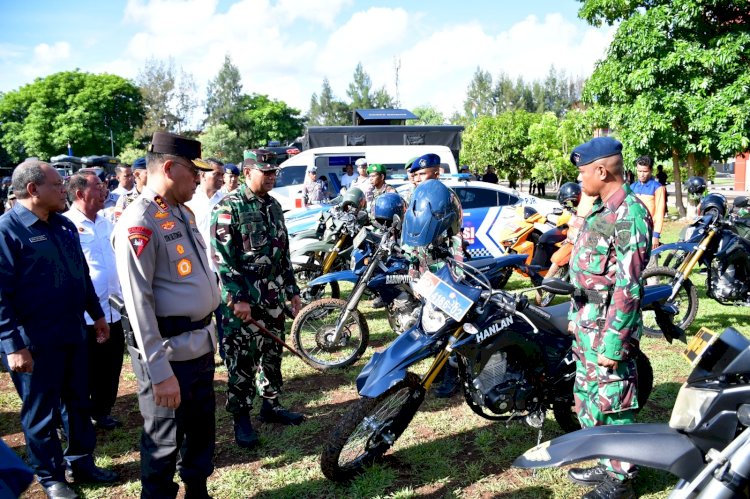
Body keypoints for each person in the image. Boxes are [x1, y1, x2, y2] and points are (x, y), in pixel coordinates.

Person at [0, 160, 118, 499]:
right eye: (56, 184)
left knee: (78, 402)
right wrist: (13, 345)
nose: (63, 189)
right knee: (41, 413)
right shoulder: (8, 231)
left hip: (72, 333)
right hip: (34, 342)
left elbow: (78, 273)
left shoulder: (63, 225)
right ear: (34, 190)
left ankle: (81, 461)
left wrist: (96, 314)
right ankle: (51, 476)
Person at [113, 132, 220, 498]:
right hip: (168, 356)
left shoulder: (179, 211)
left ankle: (197, 490)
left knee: (201, 431)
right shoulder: (139, 221)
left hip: (199, 347)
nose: (199, 179)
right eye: (194, 172)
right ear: (171, 168)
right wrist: (159, 373)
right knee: (163, 445)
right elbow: (138, 304)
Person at [565, 137, 652, 499]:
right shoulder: (602, 209)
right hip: (587, 320)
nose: (581, 179)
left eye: (583, 171)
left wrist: (615, 342)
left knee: (613, 399)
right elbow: (584, 272)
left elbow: (628, 287)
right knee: (587, 394)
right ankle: (605, 462)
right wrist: (575, 314)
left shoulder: (629, 213)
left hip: (608, 326)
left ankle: (621, 481)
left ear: (601, 171)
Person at [211, 157, 304, 450]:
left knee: (272, 352)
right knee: (242, 359)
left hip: (273, 294)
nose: (271, 176)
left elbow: (283, 251)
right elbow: (222, 259)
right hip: (244, 298)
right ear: (248, 172)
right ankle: (241, 416)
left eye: (274, 172)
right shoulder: (229, 206)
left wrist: (292, 289)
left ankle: (271, 404)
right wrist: (237, 297)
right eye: (265, 172)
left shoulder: (273, 205)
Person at [63, 171, 125, 431]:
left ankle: (102, 411)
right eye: (98, 187)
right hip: (85, 315)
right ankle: (79, 418)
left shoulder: (106, 221)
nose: (104, 191)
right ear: (80, 194)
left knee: (110, 368)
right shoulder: (65, 225)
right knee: (83, 371)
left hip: (113, 311)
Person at [401, 179, 464, 398]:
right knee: (432, 326)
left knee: (448, 330)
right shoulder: (417, 201)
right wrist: (414, 278)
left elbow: (458, 248)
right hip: (427, 278)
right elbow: (414, 252)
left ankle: (452, 375)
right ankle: (439, 369)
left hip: (446, 277)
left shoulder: (447, 201)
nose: (416, 177)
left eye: (420, 173)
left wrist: (456, 279)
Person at [185, 158, 226, 359]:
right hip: (198, 268)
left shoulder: (227, 199)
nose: (221, 178)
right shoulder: (188, 201)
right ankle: (205, 354)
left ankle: (228, 356)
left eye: (222, 174)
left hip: (221, 268)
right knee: (200, 316)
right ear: (202, 175)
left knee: (225, 315)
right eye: (216, 174)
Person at [631, 155, 665, 248]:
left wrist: (656, 235)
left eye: (645, 171)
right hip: (633, 232)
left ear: (651, 171)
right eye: (639, 171)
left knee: (651, 262)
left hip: (649, 232)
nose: (642, 174)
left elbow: (659, 212)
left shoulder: (657, 187)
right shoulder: (632, 187)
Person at [113, 157, 148, 222]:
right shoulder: (124, 199)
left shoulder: (158, 197)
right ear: (137, 174)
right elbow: (118, 224)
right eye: (148, 173)